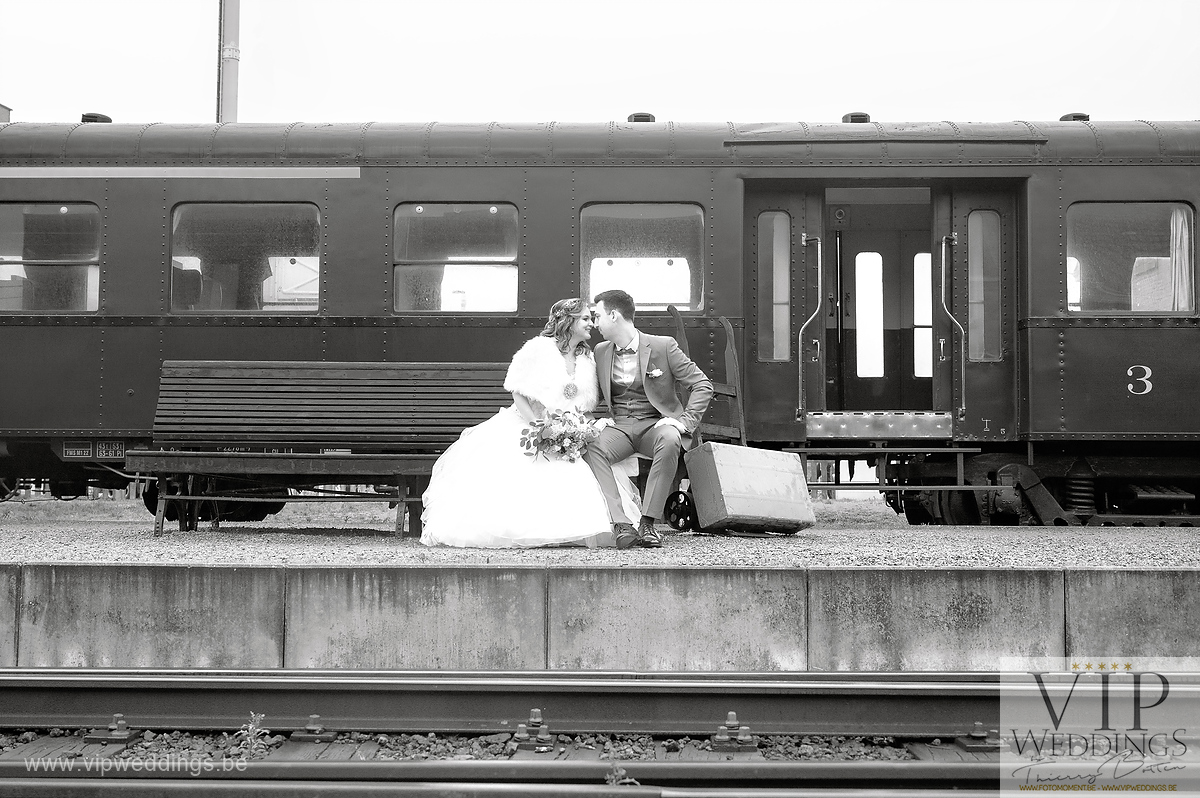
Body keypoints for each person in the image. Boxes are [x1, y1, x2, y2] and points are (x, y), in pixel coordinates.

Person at [420, 297, 636, 548]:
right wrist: (539, 427)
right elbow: (518, 392)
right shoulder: (537, 349)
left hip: (570, 431)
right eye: (586, 318)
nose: (592, 324)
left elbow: (583, 405)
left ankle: (578, 530)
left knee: (581, 468)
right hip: (530, 423)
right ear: (568, 321)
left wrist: (583, 428)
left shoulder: (587, 358)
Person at [584, 289, 714, 549]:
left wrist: (684, 421)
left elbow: (702, 385)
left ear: (614, 315)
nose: (595, 323)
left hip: (654, 425)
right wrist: (592, 420)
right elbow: (589, 396)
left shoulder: (663, 346)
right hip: (619, 426)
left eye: (597, 316)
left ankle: (648, 523)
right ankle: (621, 523)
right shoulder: (600, 351)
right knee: (591, 444)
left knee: (670, 438)